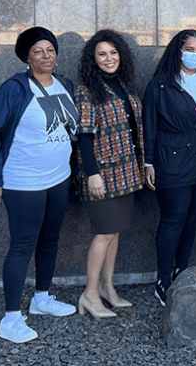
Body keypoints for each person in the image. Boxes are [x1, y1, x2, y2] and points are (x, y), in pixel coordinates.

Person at [0, 27, 78, 343]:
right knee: (22, 245)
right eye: (38, 51)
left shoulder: (65, 85)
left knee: (50, 239)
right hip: (24, 182)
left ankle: (42, 298)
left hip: (58, 178)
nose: (46, 56)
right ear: (27, 57)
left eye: (50, 49)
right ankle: (10, 318)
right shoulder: (15, 89)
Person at [143, 29, 196, 306]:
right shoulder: (161, 85)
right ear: (177, 50)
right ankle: (163, 279)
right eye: (189, 48)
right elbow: (149, 125)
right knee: (172, 220)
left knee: (191, 219)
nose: (194, 55)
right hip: (172, 162)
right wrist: (148, 161)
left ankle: (182, 272)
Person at [74, 30, 143, 318]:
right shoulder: (86, 90)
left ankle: (107, 287)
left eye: (113, 53)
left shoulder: (125, 85)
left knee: (114, 233)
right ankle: (90, 294)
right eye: (102, 54)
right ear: (93, 59)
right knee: (104, 233)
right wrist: (92, 174)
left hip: (126, 172)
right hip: (101, 174)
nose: (109, 58)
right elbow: (84, 136)